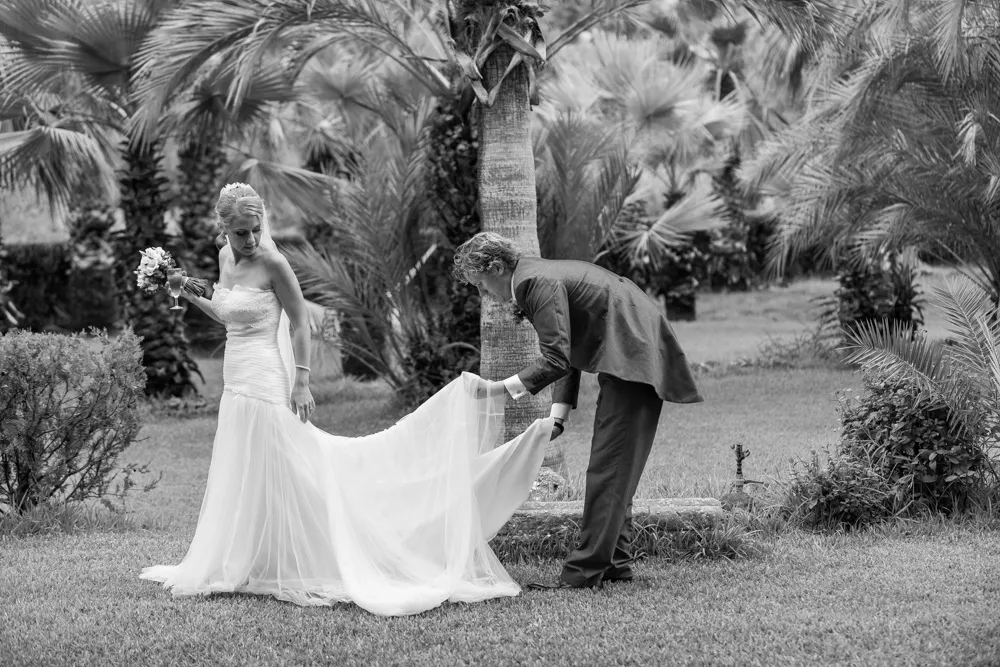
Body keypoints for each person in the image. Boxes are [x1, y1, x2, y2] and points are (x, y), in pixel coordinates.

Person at [139, 184, 554, 616]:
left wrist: (301, 381)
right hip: (234, 379)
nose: (249, 241)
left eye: (256, 230)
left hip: (266, 377)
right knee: (245, 464)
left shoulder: (273, 262)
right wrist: (186, 292)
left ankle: (329, 548)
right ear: (223, 228)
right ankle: (252, 555)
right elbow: (228, 314)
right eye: (240, 233)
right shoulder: (226, 258)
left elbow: (300, 324)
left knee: (291, 461)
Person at [453, 232, 704, 590]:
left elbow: (555, 358)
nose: (484, 295)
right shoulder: (533, 275)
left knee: (609, 466)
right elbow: (567, 352)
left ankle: (583, 574)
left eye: (480, 284)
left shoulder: (532, 281)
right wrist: (559, 415)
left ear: (495, 266)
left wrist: (498, 390)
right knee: (615, 466)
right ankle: (615, 563)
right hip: (629, 352)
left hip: (632, 353)